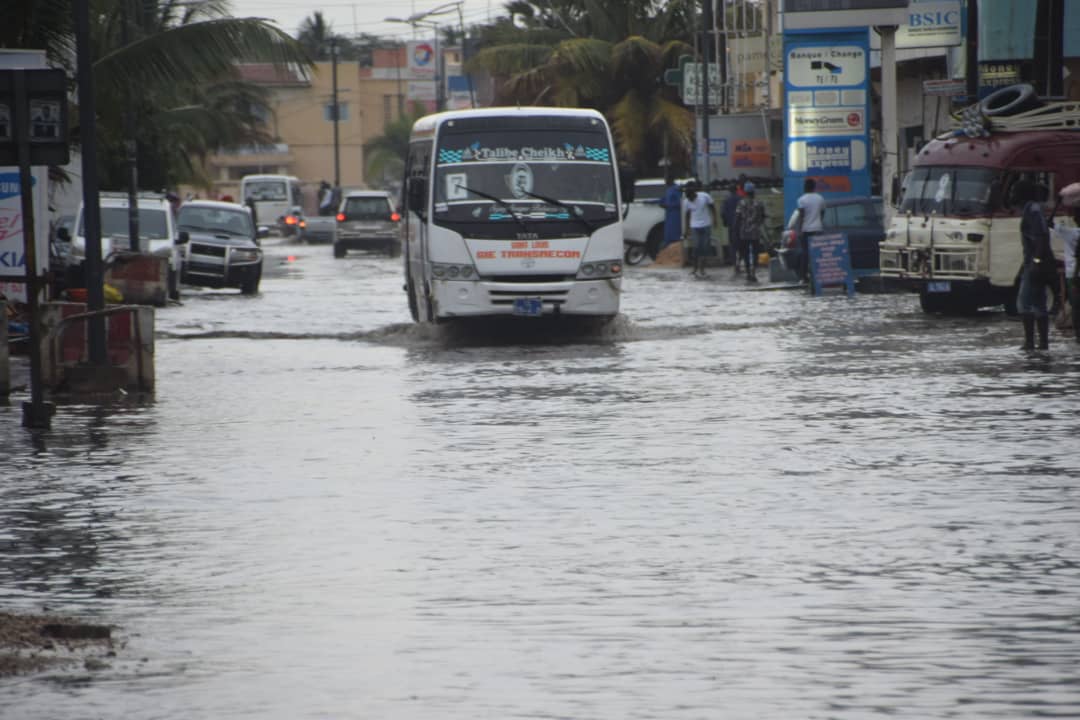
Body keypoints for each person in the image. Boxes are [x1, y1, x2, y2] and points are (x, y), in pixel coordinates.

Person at [1016, 183, 1056, 350]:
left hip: (1036, 264)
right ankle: (1042, 344)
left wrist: (1036, 262)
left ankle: (1030, 342)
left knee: (1025, 304)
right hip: (1034, 262)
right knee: (1039, 304)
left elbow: (1041, 238)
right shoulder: (1034, 209)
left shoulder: (1031, 210)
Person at [1052, 204, 1080, 343]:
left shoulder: (1070, 233)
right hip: (1073, 275)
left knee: (1076, 307)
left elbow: (1051, 225)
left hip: (1073, 276)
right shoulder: (1071, 232)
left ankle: (1078, 336)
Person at [792, 177, 826, 283]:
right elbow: (822, 213)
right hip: (818, 229)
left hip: (806, 229)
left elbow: (801, 216)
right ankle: (819, 275)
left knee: (805, 253)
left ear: (805, 187)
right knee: (817, 253)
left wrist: (800, 230)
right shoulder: (820, 198)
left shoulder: (802, 200)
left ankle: (804, 277)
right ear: (814, 187)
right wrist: (819, 222)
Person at [682, 180, 717, 279]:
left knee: (704, 248)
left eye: (691, 197)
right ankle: (694, 269)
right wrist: (686, 229)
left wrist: (715, 220)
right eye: (688, 198)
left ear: (694, 193)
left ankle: (702, 269)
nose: (690, 199)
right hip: (694, 226)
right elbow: (687, 215)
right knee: (696, 248)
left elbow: (712, 208)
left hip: (706, 225)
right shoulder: (686, 201)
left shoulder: (704, 196)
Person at [734, 181, 766, 283]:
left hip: (744, 232)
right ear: (753, 192)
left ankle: (748, 272)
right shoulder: (759, 203)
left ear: (745, 192)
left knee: (746, 253)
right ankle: (753, 272)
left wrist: (735, 229)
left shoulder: (741, 203)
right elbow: (762, 217)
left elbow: (737, 217)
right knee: (755, 253)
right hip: (755, 232)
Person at [722, 176, 746, 275]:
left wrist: (725, 222)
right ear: (736, 190)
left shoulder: (726, 200)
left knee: (733, 246)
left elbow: (722, 213)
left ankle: (734, 265)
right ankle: (739, 264)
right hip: (741, 225)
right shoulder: (741, 199)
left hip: (731, 226)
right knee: (741, 246)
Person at [658, 173, 683, 253]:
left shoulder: (676, 189)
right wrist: (661, 202)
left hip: (675, 215)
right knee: (668, 234)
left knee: (675, 234)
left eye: (667, 180)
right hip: (669, 214)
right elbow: (664, 199)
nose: (666, 181)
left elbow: (680, 202)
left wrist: (668, 205)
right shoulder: (669, 189)